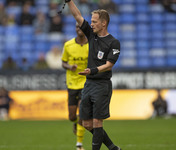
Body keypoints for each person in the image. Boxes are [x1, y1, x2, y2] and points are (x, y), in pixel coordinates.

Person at [63, 1, 121, 150]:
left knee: (97, 122)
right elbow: (77, 16)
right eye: (92, 21)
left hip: (102, 85)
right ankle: (113, 148)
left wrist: (92, 70)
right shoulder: (91, 35)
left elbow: (109, 65)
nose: (92, 24)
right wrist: (69, 1)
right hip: (88, 84)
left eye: (95, 22)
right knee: (87, 124)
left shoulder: (114, 42)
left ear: (103, 23)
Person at [62, 22, 88, 150]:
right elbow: (63, 63)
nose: (79, 29)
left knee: (82, 113)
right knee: (72, 116)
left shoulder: (91, 45)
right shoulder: (68, 45)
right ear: (75, 29)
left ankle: (79, 145)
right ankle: (76, 123)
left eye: (81, 27)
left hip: (86, 83)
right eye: (77, 27)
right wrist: (69, 67)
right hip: (72, 83)